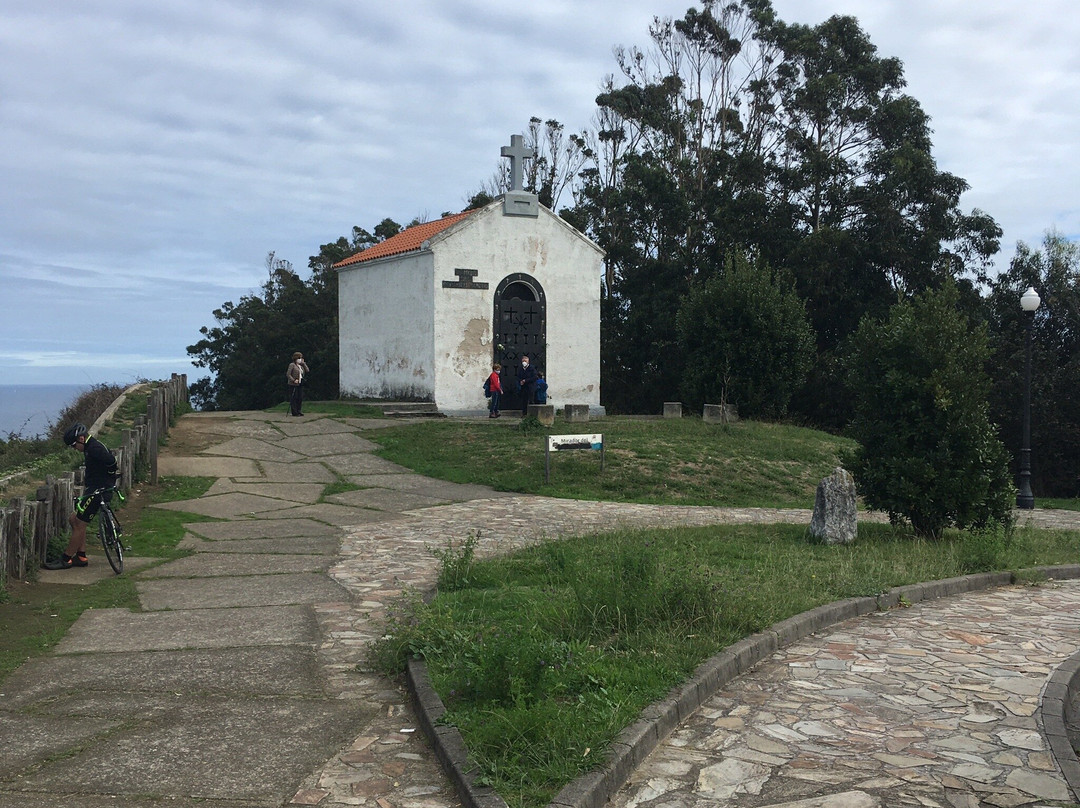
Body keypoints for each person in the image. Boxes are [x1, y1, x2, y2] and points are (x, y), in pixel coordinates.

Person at [56, 423, 119, 569]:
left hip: (98, 490)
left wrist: (108, 479)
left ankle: (66, 559)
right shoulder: (90, 446)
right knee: (73, 519)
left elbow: (112, 461)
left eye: (73, 445)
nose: (74, 448)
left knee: (79, 523)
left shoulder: (94, 449)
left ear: (81, 439)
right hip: (94, 487)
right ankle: (81, 556)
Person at [286, 351, 310, 416]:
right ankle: (294, 412)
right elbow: (288, 374)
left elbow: (307, 370)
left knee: (300, 397)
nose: (300, 359)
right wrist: (293, 380)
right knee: (294, 397)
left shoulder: (301, 366)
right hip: (293, 383)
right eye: (299, 358)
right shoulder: (292, 365)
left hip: (300, 383)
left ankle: (299, 410)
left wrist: (304, 363)